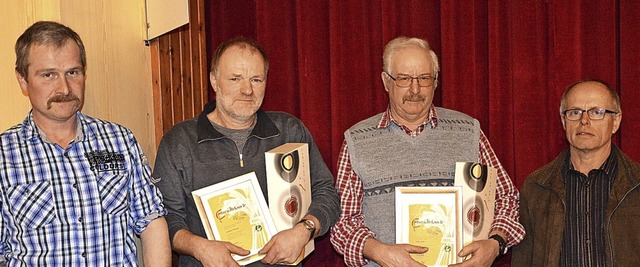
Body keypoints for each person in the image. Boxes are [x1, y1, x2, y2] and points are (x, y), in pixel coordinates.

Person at [330, 36, 525, 267]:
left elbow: (506, 199)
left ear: (435, 82)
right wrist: (381, 253)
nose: (415, 89)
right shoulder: (358, 139)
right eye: (404, 79)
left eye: (424, 78)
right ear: (386, 81)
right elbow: (342, 224)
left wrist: (494, 244)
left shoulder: (468, 131)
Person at [152, 37, 340, 267]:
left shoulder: (289, 131)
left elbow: (326, 193)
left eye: (256, 79)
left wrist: (305, 230)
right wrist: (199, 247)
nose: (247, 90)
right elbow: (164, 218)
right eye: (235, 79)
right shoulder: (179, 142)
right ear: (214, 80)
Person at [0, 21, 171, 266]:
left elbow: (152, 221)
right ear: (23, 80)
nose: (64, 87)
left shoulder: (119, 141)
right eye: (48, 75)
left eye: (73, 72)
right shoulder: (4, 155)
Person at [511, 79, 640, 266]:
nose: (584, 121)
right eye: (575, 112)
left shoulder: (636, 183)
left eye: (597, 112)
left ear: (616, 121)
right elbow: (523, 260)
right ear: (564, 121)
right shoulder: (536, 187)